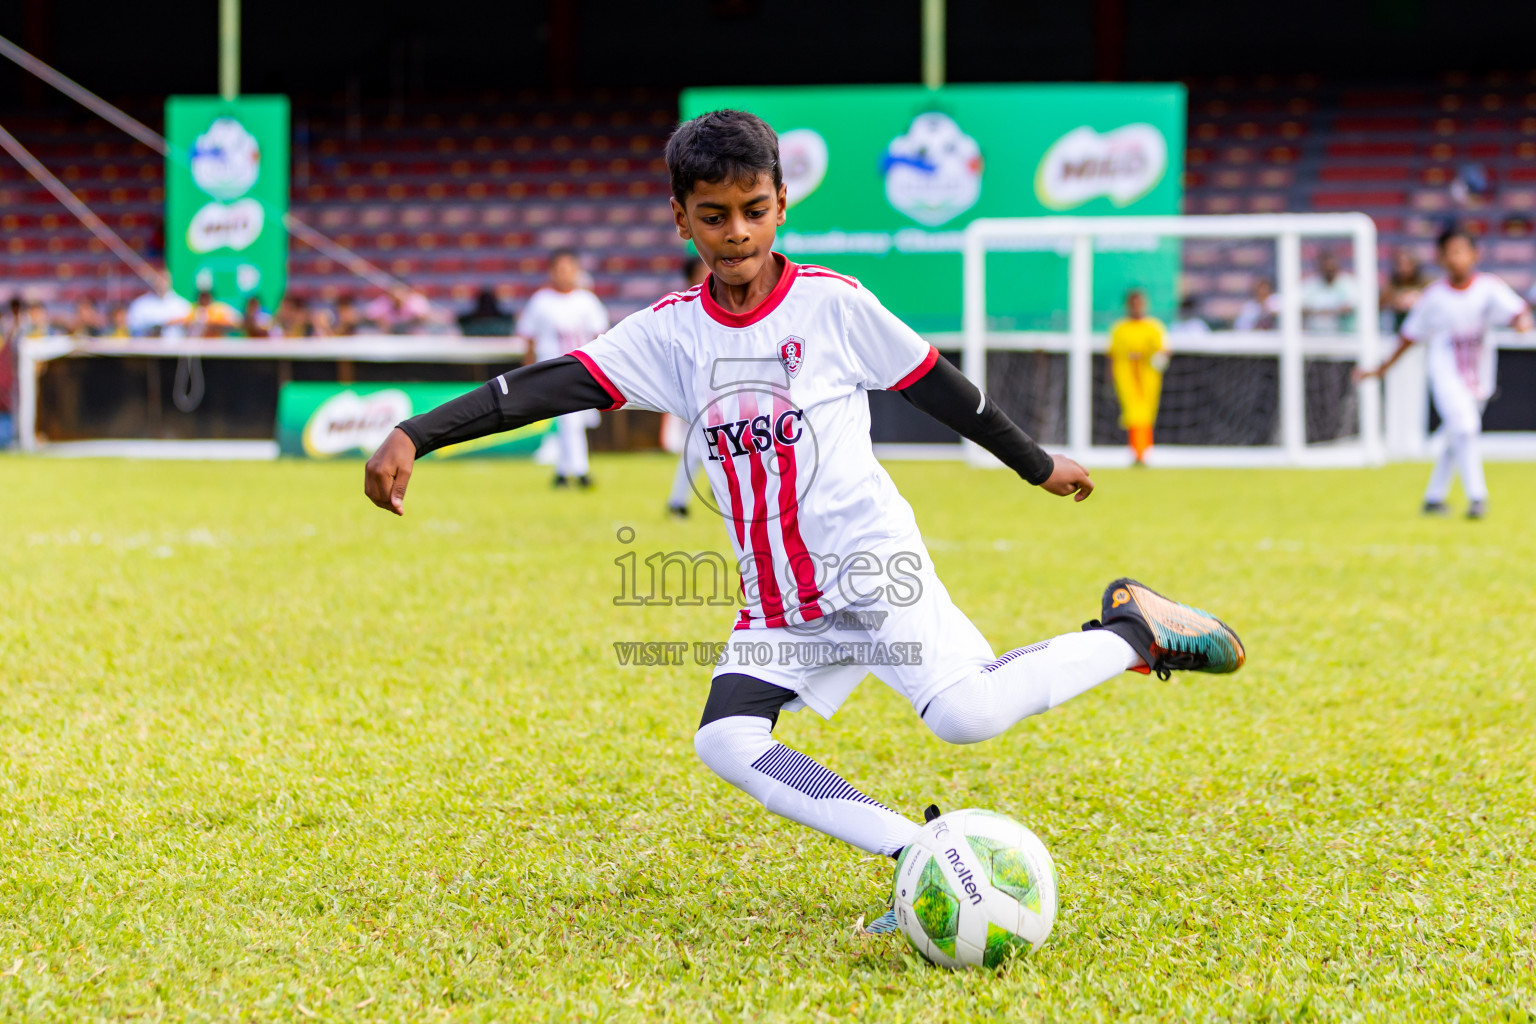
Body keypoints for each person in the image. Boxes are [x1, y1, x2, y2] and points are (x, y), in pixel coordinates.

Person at [362, 109, 1246, 931]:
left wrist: (1035, 462)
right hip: (780, 599)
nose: (737, 233)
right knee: (728, 739)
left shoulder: (832, 305)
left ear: (781, 203)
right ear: (681, 219)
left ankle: (1132, 632)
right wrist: (416, 432)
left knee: (964, 716)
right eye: (714, 216)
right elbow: (545, 388)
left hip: (870, 565)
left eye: (753, 209)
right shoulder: (668, 334)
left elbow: (940, 386)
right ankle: (915, 850)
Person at [1355, 226, 1532, 519]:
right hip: (1446, 373)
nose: (1455, 259)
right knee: (1465, 428)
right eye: (1449, 253)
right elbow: (1408, 337)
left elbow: (1517, 310)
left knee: (1456, 436)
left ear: (1474, 255)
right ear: (1440, 258)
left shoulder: (1489, 287)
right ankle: (1478, 498)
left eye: (1460, 251)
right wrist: (1381, 369)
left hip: (1479, 375)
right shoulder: (1434, 297)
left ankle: (1433, 498)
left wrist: (1522, 322)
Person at [515, 248, 610, 488]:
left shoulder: (587, 301)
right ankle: (580, 472)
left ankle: (563, 472)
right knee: (568, 420)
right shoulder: (541, 301)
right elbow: (529, 338)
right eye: (559, 269)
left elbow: (601, 336)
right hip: (552, 369)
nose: (564, 274)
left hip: (583, 368)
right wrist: (528, 371)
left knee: (574, 421)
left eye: (569, 269)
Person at [664, 254, 712, 516]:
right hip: (698, 389)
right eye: (703, 270)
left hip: (729, 388)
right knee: (696, 448)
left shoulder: (727, 303)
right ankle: (677, 502)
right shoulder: (684, 310)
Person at [1108, 288, 1170, 465]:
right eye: (1133, 303)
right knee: (1133, 414)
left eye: (1139, 303)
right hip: (1126, 376)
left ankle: (1143, 451)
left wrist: (1160, 359)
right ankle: (1139, 452)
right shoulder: (1119, 328)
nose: (1137, 307)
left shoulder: (1154, 327)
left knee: (1146, 414)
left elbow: (1164, 351)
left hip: (1148, 377)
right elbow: (1112, 355)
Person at [1301, 251, 1355, 332]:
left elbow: (1349, 308)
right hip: (1314, 337)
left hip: (1343, 338)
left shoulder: (1349, 284)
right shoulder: (1310, 285)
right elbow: (1301, 307)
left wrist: (1319, 312)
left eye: (1332, 268)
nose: (1329, 271)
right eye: (1326, 268)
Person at [1383, 248, 1427, 333]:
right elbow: (1381, 304)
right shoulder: (1392, 285)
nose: (1403, 268)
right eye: (1400, 264)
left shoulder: (1426, 283)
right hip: (1396, 330)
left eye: (1407, 264)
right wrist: (1396, 301)